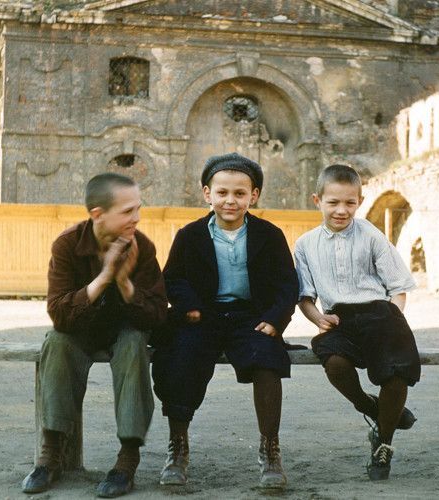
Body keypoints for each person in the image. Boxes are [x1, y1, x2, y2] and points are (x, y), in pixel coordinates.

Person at [151, 152, 299, 489]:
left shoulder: (269, 234)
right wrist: (189, 306)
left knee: (266, 359)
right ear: (207, 194)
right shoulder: (191, 235)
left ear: (254, 196)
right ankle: (178, 447)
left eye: (239, 193)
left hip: (251, 317)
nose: (230, 200)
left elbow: (287, 283)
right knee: (180, 358)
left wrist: (275, 319)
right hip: (203, 316)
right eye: (222, 193)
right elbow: (173, 278)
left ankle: (270, 449)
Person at [21, 173, 167, 498]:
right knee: (56, 343)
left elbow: (158, 314)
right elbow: (59, 314)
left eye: (138, 209)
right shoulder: (68, 245)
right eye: (127, 211)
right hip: (80, 331)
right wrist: (103, 278)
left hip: (124, 330)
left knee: (133, 344)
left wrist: (127, 284)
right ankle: (51, 454)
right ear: (98, 215)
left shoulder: (142, 247)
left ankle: (127, 459)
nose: (137, 218)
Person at [294, 164, 420, 481]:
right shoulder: (305, 244)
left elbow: (398, 286)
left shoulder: (370, 234)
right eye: (333, 202)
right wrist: (318, 319)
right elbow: (305, 296)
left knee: (396, 373)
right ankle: (369, 406)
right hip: (338, 319)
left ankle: (383, 445)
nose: (341, 210)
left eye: (349, 203)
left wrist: (393, 320)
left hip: (380, 313)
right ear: (317, 200)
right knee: (334, 362)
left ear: (359, 201)